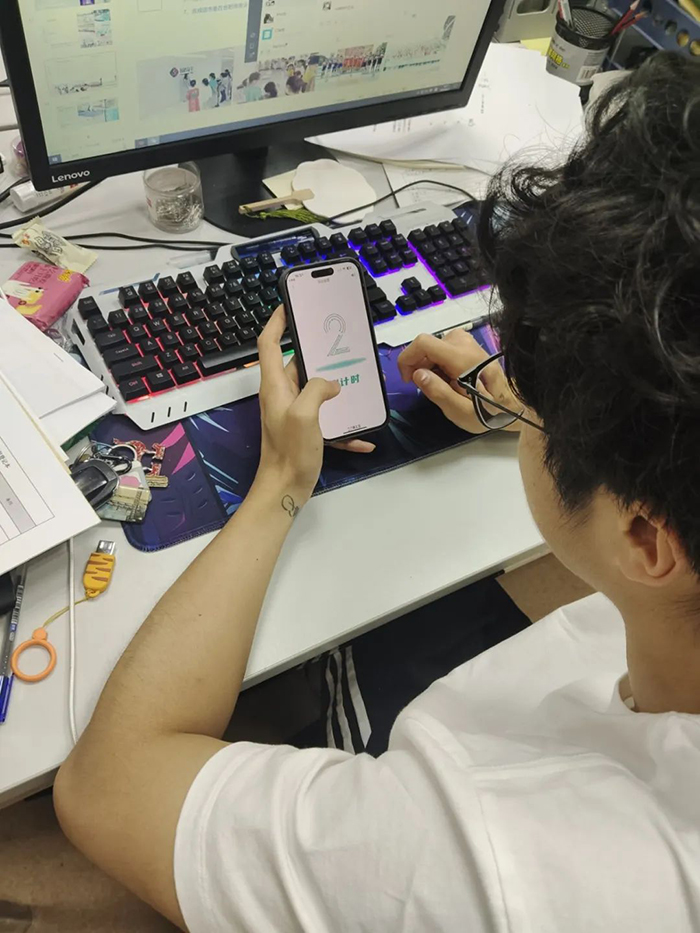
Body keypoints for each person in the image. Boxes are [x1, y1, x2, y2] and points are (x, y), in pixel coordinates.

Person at [54, 53, 700, 932]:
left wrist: (281, 482)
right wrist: (546, 413)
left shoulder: (480, 862)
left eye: (535, 382)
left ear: (646, 539)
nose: (519, 385)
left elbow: (105, 786)